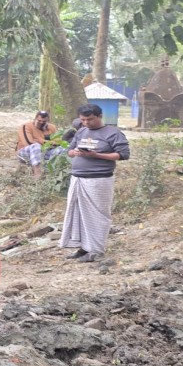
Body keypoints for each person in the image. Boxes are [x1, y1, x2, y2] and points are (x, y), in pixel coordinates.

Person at [59, 104, 130, 263]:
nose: (86, 123)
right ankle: (84, 248)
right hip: (78, 178)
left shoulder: (113, 133)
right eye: (83, 120)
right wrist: (74, 152)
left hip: (99, 179)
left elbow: (123, 155)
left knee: (98, 214)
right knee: (79, 213)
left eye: (90, 119)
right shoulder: (81, 131)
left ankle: (96, 250)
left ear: (99, 116)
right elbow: (69, 150)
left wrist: (96, 155)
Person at [16, 110, 66, 177]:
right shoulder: (26, 126)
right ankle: (37, 174)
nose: (41, 123)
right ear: (35, 119)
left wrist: (40, 140)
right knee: (36, 146)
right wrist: (49, 142)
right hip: (26, 152)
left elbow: (59, 142)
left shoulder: (52, 127)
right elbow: (28, 142)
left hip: (45, 151)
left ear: (48, 121)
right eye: (39, 121)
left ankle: (52, 172)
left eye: (44, 121)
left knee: (62, 149)